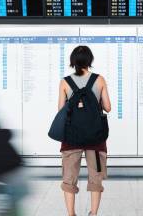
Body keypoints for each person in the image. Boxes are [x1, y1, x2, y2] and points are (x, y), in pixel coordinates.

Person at [57, 45, 111, 216]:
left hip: (71, 139)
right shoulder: (99, 80)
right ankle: (93, 214)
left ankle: (71, 214)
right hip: (95, 139)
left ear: (73, 61)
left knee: (69, 178)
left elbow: (60, 110)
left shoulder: (65, 82)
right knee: (96, 177)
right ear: (90, 60)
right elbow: (108, 108)